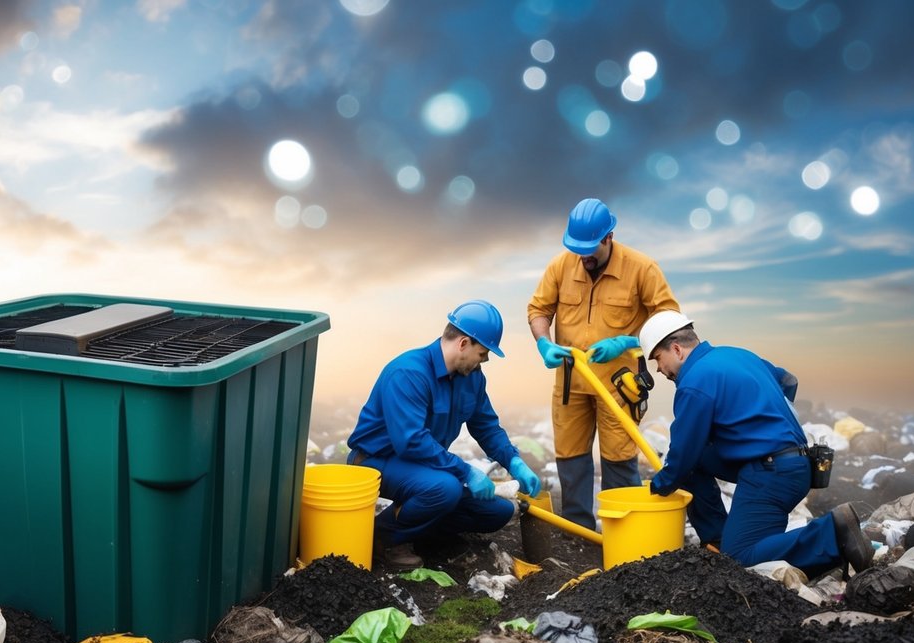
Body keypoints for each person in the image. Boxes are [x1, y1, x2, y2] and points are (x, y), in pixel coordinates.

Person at [639, 310, 873, 576]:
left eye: (658, 359)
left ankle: (832, 533)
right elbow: (788, 380)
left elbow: (681, 454)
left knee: (739, 558)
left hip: (770, 474)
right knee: (701, 466)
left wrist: (658, 487)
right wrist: (760, 420)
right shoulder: (738, 355)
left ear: (677, 349)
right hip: (797, 465)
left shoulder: (694, 383)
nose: (659, 369)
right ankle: (717, 541)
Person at [347, 300, 542, 571]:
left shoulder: (472, 378)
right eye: (483, 354)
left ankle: (420, 533)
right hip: (376, 461)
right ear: (463, 344)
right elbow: (410, 441)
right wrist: (465, 472)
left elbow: (486, 426)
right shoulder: (409, 372)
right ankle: (382, 537)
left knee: (497, 512)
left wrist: (514, 461)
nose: (484, 361)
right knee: (445, 489)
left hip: (425, 466)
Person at [527, 197, 680, 530]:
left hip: (619, 385)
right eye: (576, 248)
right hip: (571, 383)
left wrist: (627, 342)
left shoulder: (642, 268)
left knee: (619, 458)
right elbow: (539, 311)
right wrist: (544, 342)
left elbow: (669, 320)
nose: (583, 257)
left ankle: (620, 530)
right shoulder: (560, 266)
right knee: (570, 456)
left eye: (589, 248)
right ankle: (579, 530)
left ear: (608, 237)